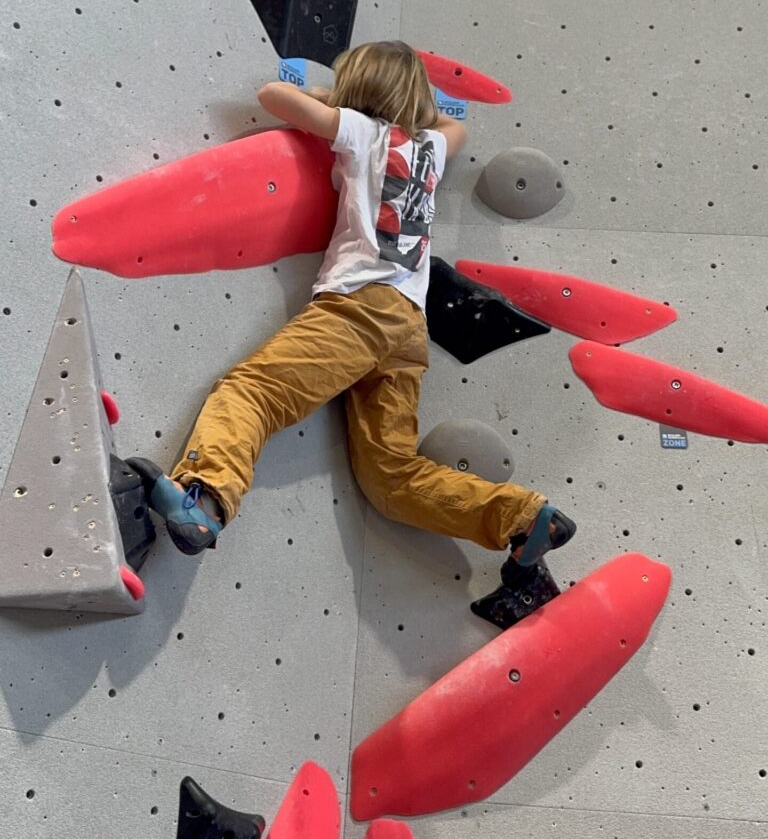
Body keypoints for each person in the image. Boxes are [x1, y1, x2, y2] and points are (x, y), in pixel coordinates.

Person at [128, 41, 575, 607]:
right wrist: (406, 107)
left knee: (254, 392)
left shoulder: (360, 132)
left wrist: (332, 100)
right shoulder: (434, 147)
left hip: (360, 306)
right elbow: (452, 127)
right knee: (392, 478)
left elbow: (274, 97)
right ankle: (524, 517)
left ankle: (206, 498)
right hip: (408, 326)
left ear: (358, 90)